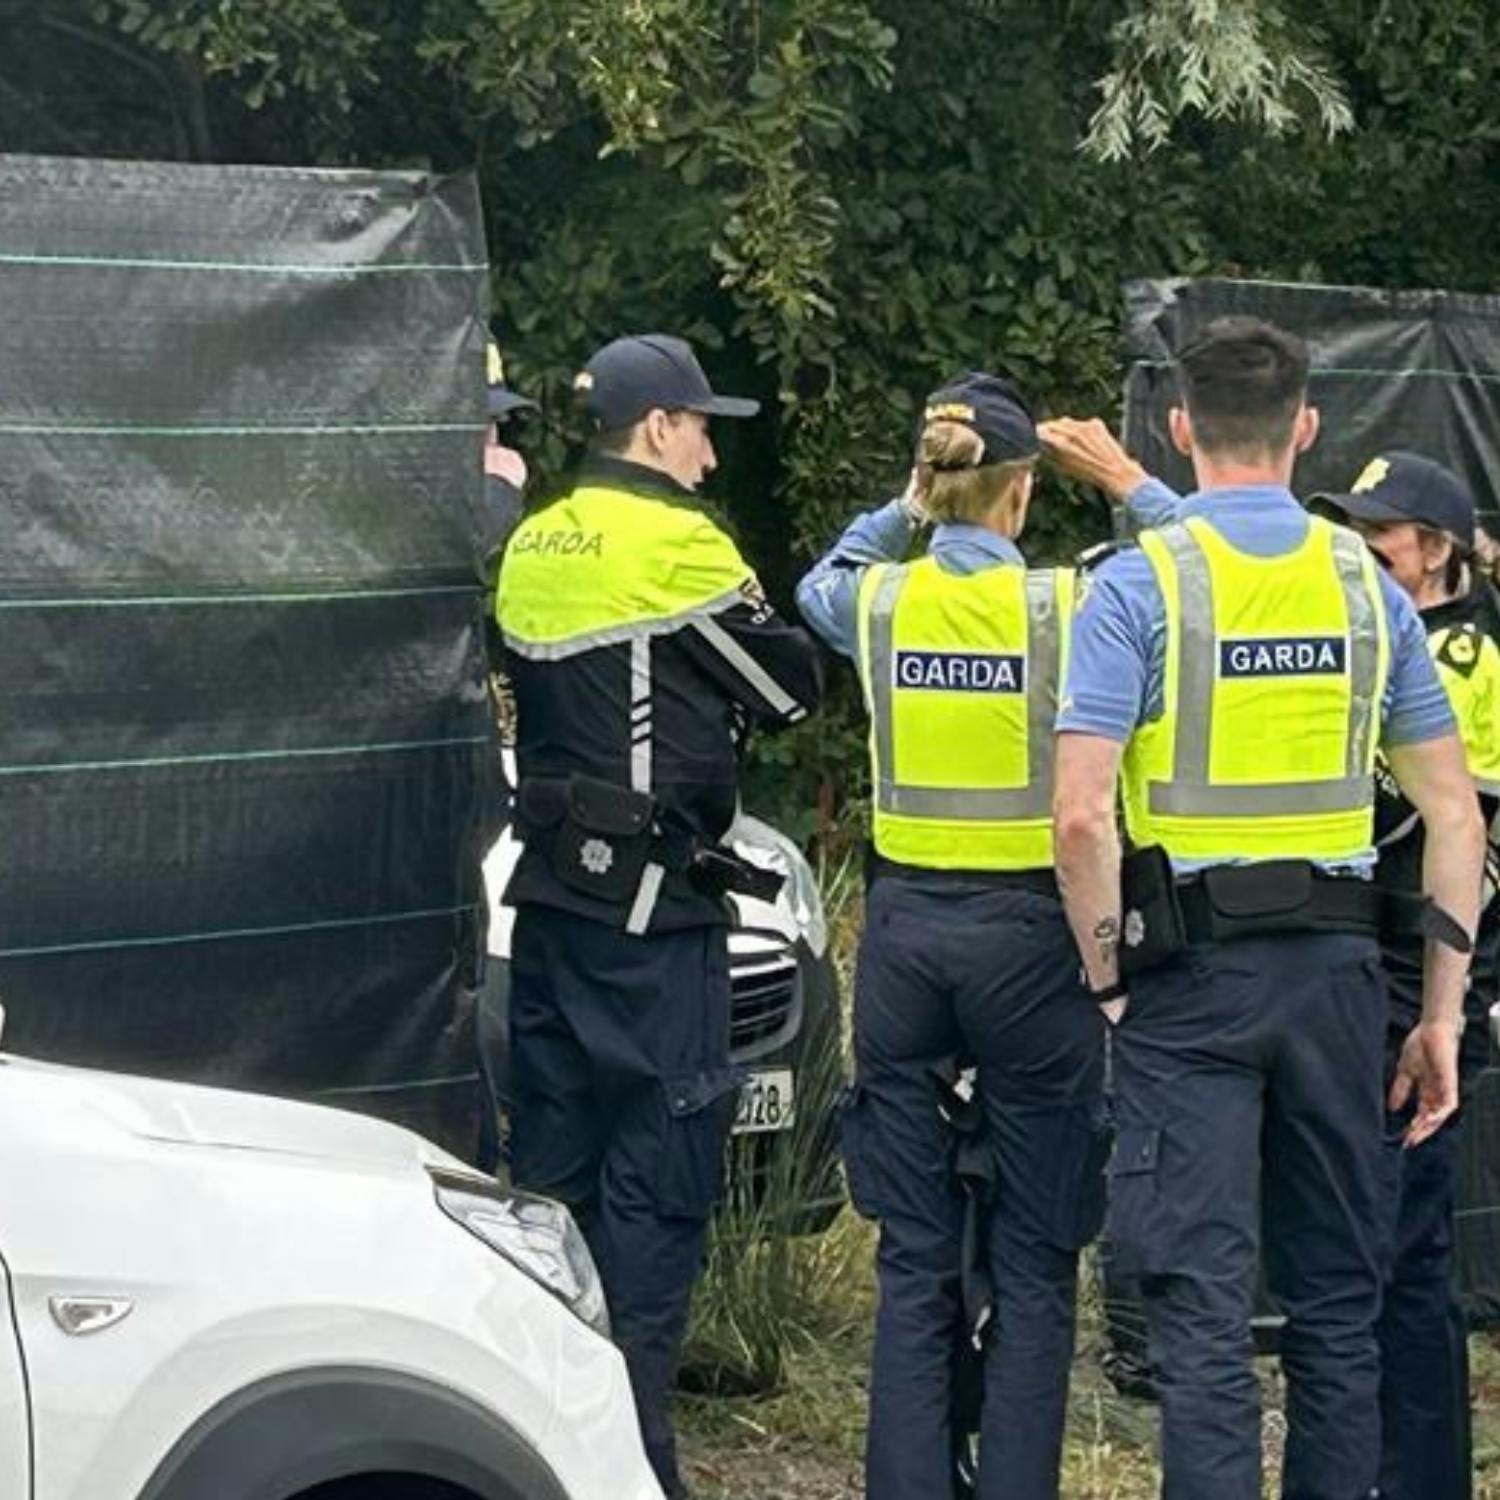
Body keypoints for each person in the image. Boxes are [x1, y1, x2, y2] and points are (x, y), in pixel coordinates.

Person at [1049, 317, 1484, 1500]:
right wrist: (1439, 1015)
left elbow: (1080, 817)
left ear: (1179, 428)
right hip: (1339, 984)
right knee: (1339, 1305)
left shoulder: (1139, 583)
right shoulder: (1367, 587)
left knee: (1199, 1313)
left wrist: (1107, 977)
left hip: (1188, 983)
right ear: (1306, 428)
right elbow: (1455, 816)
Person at [494, 332, 821, 1500]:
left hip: (550, 905)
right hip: (653, 917)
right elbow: (789, 688)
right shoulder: (679, 545)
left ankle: (533, 1456)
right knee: (656, 1200)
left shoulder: (536, 537)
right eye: (701, 431)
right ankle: (637, 1472)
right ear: (658, 428)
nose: (710, 456)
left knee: (550, 1200)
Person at [797, 374, 1110, 1500]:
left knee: (914, 1255)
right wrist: (1127, 484)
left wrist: (906, 506)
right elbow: (1187, 582)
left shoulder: (879, 600)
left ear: (933, 487)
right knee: (1035, 1254)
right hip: (1031, 940)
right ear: (1022, 491)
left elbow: (816, 583)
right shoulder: (1067, 606)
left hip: (906, 937)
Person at [1314, 452, 1500, 1500]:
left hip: (1422, 978)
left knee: (1406, 1257)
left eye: (1378, 537)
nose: (1359, 551)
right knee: (1374, 1248)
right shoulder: (1387, 633)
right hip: (1370, 970)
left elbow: (1450, 826)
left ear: (1434, 550)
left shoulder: (1466, 655)